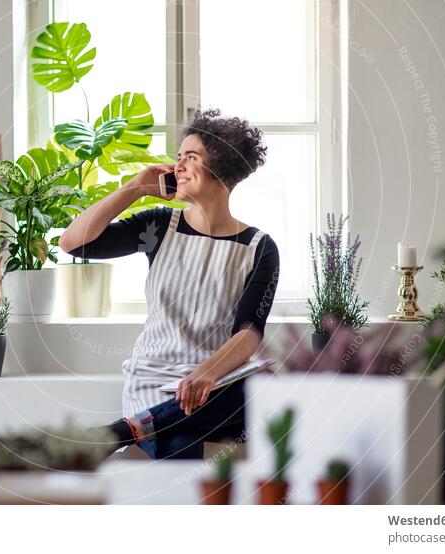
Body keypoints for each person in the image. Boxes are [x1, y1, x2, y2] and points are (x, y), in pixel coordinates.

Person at [58, 108, 280, 459]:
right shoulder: (160, 227)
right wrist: (135, 188)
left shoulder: (259, 248)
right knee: (179, 447)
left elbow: (249, 332)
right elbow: (74, 243)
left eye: (191, 158)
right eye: (178, 157)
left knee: (263, 386)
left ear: (221, 167)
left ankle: (121, 432)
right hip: (155, 384)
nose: (178, 166)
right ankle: (141, 425)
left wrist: (206, 374)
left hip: (218, 384)